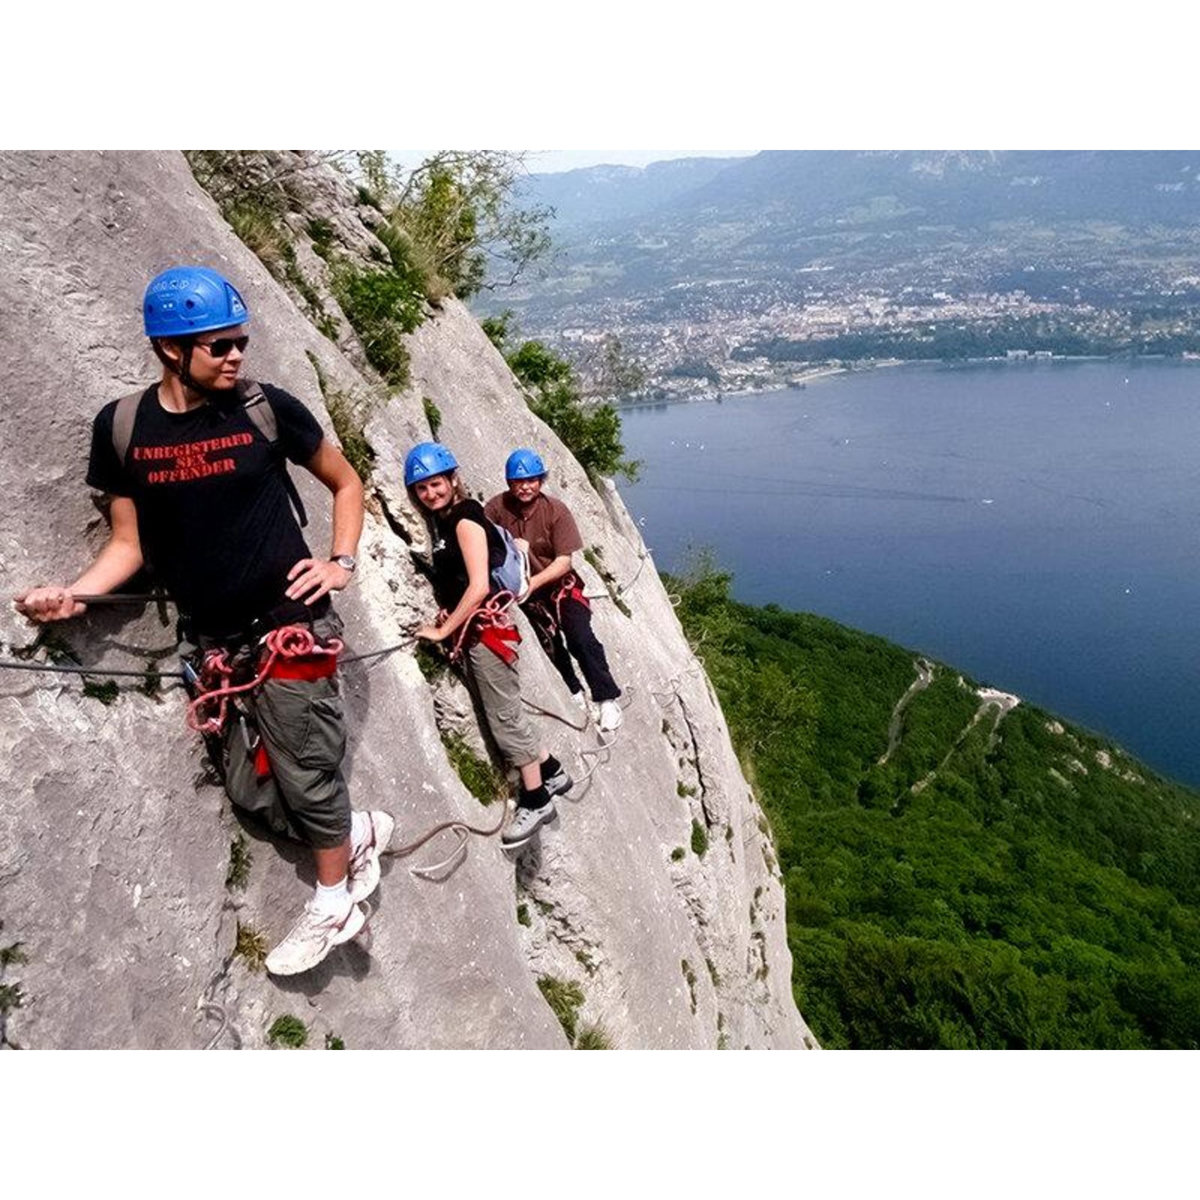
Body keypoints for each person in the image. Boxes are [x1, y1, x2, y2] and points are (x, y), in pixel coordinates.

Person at [14, 265, 393, 977]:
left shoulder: (265, 409)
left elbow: (345, 481)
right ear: (170, 349)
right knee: (253, 791)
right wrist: (75, 596)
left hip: (290, 624)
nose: (236, 356)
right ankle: (357, 832)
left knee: (307, 772)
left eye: (240, 341)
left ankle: (335, 898)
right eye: (219, 345)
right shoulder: (124, 428)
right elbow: (127, 543)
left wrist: (339, 561)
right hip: (216, 639)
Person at [405, 442, 572, 848]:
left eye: (437, 484)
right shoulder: (447, 521)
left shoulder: (463, 519)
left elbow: (479, 586)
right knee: (508, 710)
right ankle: (551, 769)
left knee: (504, 718)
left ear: (453, 480)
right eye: (422, 488)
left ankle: (536, 798)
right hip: (481, 628)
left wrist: (443, 631)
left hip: (486, 633)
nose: (431, 494)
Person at [485, 449, 623, 733]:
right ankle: (573, 690)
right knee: (548, 643)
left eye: (531, 480)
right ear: (509, 482)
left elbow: (564, 562)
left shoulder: (555, 511)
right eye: (518, 481)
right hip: (525, 592)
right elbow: (481, 536)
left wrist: (532, 583)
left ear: (540, 481)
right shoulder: (497, 509)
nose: (525, 487)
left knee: (580, 637)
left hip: (558, 586)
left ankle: (606, 698)